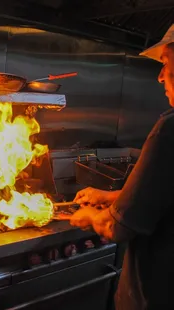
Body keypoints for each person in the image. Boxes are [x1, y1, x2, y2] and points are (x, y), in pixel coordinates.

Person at [69, 24, 174, 310]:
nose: (160, 76)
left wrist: (91, 216)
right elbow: (163, 199)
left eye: (165, 63)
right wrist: (109, 196)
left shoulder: (170, 130)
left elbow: (117, 228)